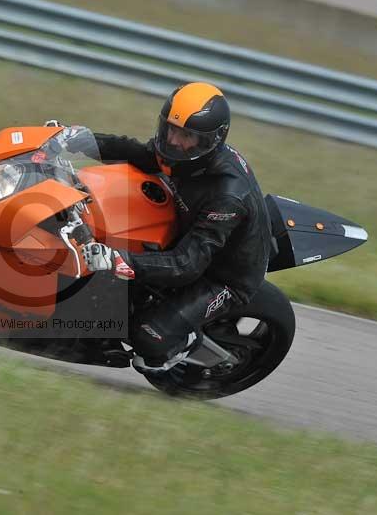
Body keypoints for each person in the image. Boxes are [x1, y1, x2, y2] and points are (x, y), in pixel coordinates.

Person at [80, 82, 273, 374]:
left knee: (149, 339)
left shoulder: (227, 196)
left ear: (211, 140)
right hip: (186, 231)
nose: (173, 140)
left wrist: (117, 258)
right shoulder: (180, 153)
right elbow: (137, 152)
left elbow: (188, 264)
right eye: (170, 128)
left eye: (186, 135)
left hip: (221, 276)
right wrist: (79, 139)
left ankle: (187, 343)